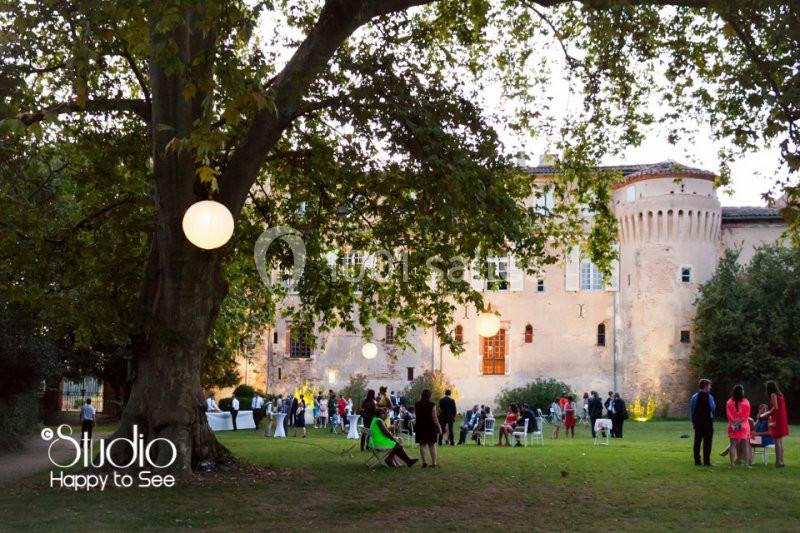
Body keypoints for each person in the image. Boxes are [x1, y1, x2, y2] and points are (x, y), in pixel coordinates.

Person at [760, 380, 789, 467]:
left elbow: (775, 408)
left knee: (777, 441)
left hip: (777, 419)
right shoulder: (780, 395)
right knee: (780, 441)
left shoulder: (773, 395)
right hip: (782, 419)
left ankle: (778, 462)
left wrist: (766, 413)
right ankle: (781, 461)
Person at [690, 378, 716, 466]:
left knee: (697, 441)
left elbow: (692, 410)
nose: (710, 387)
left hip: (697, 422)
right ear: (705, 386)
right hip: (707, 421)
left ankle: (697, 460)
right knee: (707, 442)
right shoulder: (709, 397)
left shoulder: (694, 397)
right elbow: (713, 408)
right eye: (709, 386)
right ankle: (706, 461)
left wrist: (693, 421)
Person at [414, 389, 442, 467]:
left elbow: (416, 415)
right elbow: (435, 417)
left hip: (420, 426)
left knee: (422, 444)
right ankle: (434, 463)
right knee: (432, 444)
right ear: (429, 396)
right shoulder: (432, 405)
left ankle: (424, 462)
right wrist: (439, 427)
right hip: (430, 426)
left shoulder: (417, 404)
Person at [726, 384, 751, 467]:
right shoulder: (746, 402)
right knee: (745, 445)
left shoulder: (729, 402)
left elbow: (728, 415)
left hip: (733, 425)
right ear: (742, 392)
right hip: (744, 426)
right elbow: (746, 415)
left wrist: (734, 422)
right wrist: (739, 421)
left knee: (732, 444)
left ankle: (732, 464)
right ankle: (746, 464)